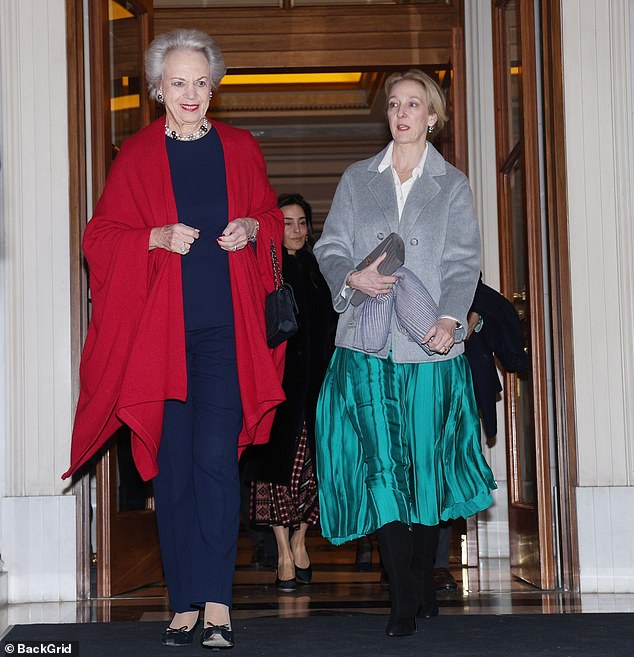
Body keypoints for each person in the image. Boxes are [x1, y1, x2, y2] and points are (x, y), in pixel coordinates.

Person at [62, 29, 286, 650]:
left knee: (217, 461)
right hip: (161, 342)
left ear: (214, 87)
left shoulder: (240, 149)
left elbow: (272, 221)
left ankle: (217, 600)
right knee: (175, 472)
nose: (190, 93)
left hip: (226, 335)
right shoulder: (135, 156)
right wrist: (153, 239)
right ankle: (182, 600)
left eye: (201, 82)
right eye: (178, 82)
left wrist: (252, 226)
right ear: (158, 90)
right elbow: (99, 239)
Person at [313, 69, 496, 638]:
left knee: (423, 468)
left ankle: (418, 580)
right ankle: (402, 597)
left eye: (413, 104)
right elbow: (330, 246)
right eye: (394, 104)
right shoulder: (356, 178)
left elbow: (464, 261)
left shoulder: (453, 184)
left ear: (432, 117)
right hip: (366, 347)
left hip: (428, 348)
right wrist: (353, 280)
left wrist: (449, 316)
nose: (402, 112)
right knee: (382, 468)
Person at [249, 193, 336, 592]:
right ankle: (283, 552)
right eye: (287, 222)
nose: (296, 230)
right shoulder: (263, 267)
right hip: (276, 387)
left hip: (319, 386)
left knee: (315, 473)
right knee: (275, 474)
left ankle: (300, 540)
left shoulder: (323, 269)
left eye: (302, 222)